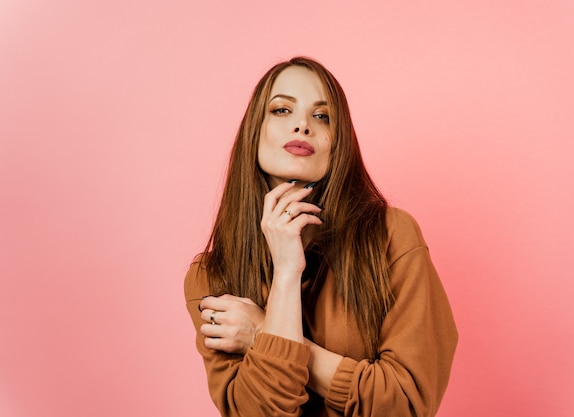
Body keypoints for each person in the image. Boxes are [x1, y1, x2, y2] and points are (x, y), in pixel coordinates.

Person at [184, 57, 458, 417]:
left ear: (338, 143)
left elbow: (406, 404)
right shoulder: (210, 276)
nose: (302, 125)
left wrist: (261, 331)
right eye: (281, 110)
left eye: (322, 116)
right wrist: (285, 271)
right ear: (255, 132)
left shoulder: (392, 236)